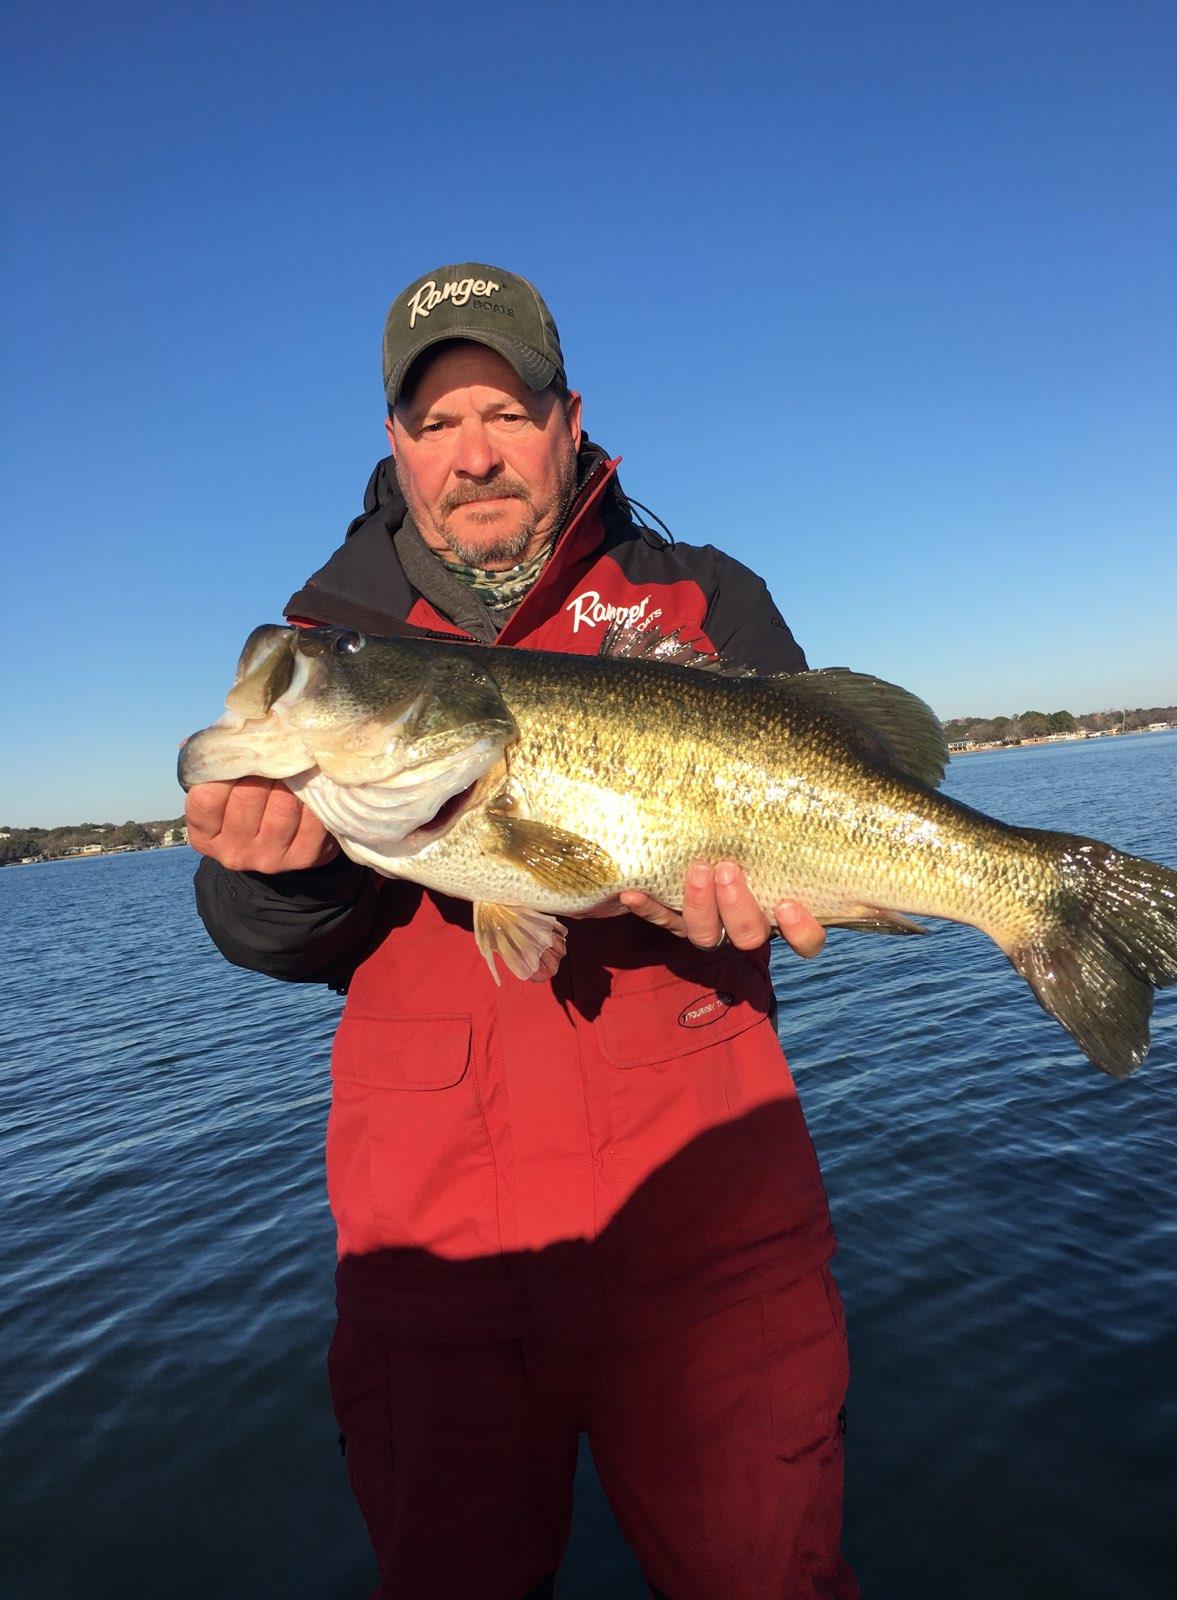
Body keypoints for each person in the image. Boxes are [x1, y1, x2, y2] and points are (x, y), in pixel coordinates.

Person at [187, 263, 858, 1600]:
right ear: (395, 443)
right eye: (437, 422)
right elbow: (261, 931)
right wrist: (278, 876)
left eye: (505, 411)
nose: (474, 453)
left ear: (568, 419)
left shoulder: (700, 598)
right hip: (440, 1265)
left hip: (712, 1240)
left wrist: (755, 901)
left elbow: (819, 797)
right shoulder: (338, 639)